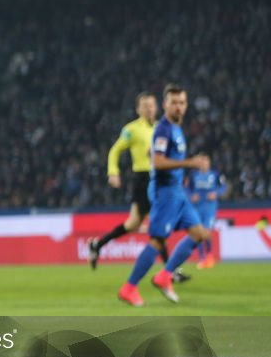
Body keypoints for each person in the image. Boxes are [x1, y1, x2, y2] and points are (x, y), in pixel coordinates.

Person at [118, 85, 211, 306]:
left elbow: (156, 153)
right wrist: (190, 163)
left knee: (199, 233)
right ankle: (129, 287)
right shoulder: (164, 129)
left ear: (186, 105)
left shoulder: (176, 129)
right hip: (165, 193)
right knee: (158, 241)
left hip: (177, 191)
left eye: (182, 102)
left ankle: (165, 275)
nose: (178, 107)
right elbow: (158, 162)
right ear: (165, 105)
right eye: (174, 103)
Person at [89, 92, 188, 282]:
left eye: (151, 105)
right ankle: (171, 271)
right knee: (158, 221)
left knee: (133, 224)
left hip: (160, 178)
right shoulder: (132, 129)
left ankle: (98, 245)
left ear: (157, 107)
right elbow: (115, 150)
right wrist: (113, 172)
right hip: (143, 179)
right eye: (145, 106)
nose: (149, 109)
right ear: (138, 109)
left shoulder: (162, 127)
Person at [184, 166, 226, 269]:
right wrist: (190, 195)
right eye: (201, 160)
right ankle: (202, 258)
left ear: (208, 162)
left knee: (207, 232)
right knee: (198, 232)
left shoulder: (215, 174)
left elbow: (223, 186)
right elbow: (187, 188)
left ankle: (209, 256)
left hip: (209, 207)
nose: (203, 163)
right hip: (197, 206)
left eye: (205, 160)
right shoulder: (193, 174)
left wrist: (216, 193)